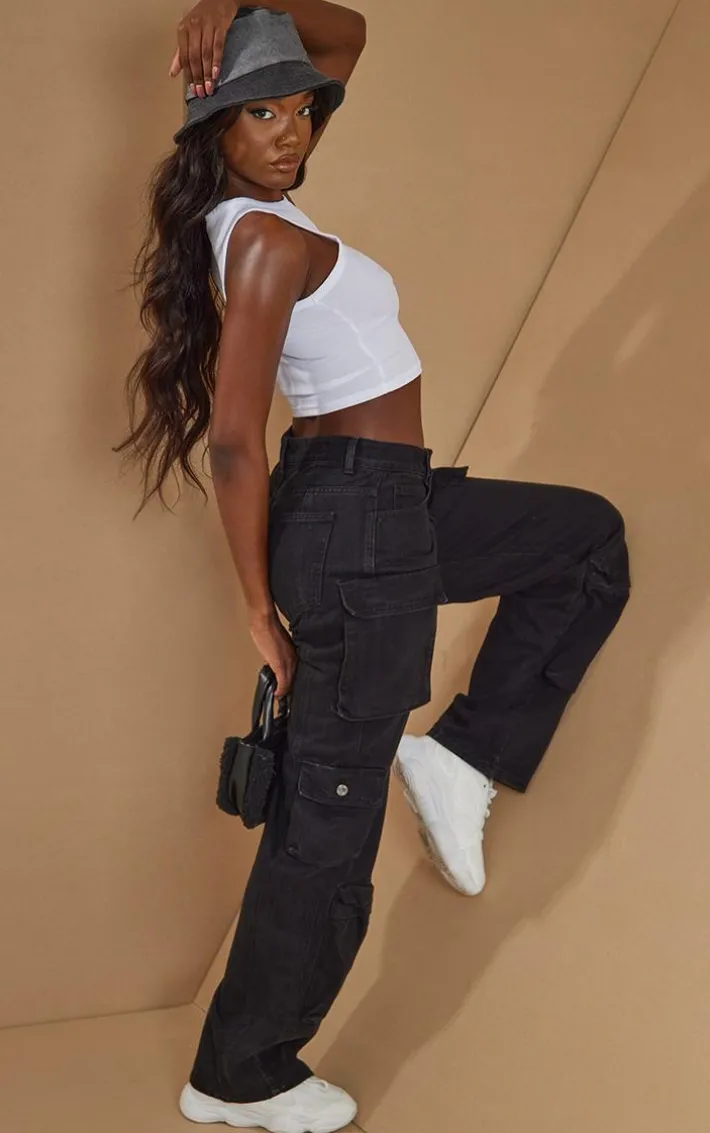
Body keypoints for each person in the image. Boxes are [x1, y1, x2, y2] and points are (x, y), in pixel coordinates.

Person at [115, 3, 631, 1129]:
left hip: (387, 499)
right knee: (328, 813)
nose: (291, 132)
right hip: (352, 516)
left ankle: (459, 755)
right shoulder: (262, 240)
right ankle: (239, 1071)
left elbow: (344, 32)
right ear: (214, 126)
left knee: (583, 540)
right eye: (262, 113)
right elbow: (235, 439)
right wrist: (257, 608)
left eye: (300, 111)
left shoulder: (267, 204)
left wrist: (243, 2)